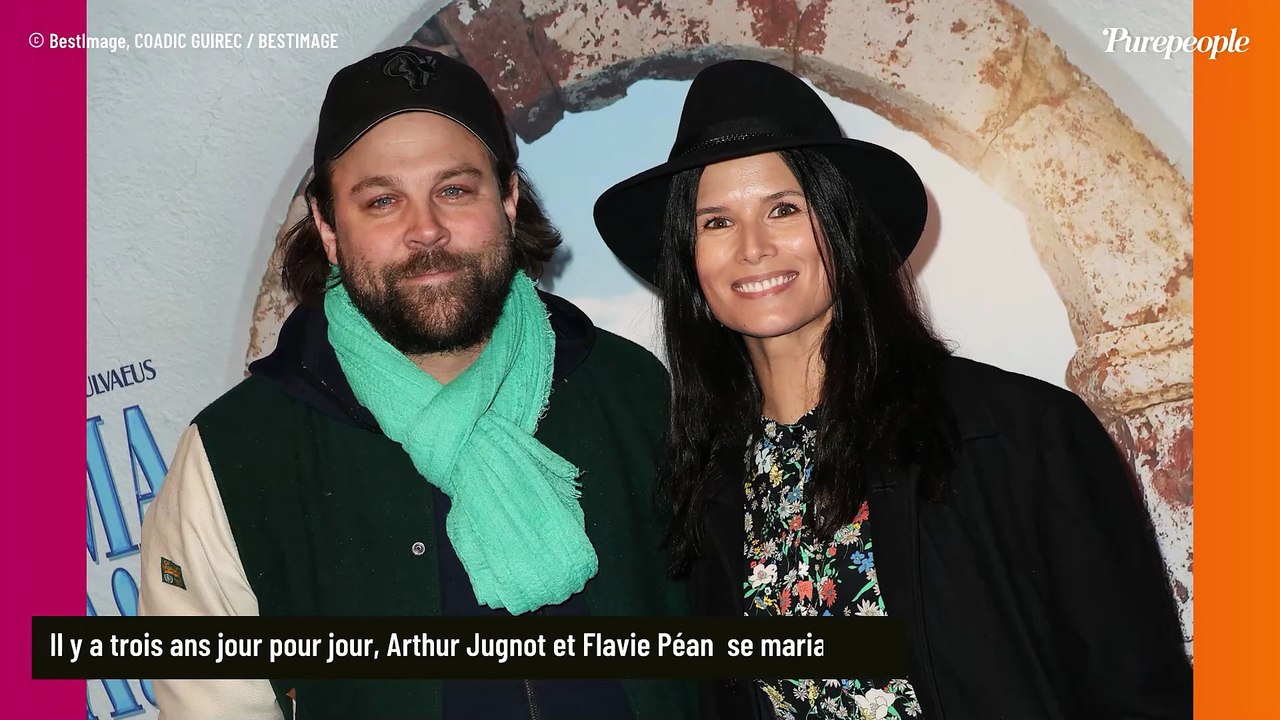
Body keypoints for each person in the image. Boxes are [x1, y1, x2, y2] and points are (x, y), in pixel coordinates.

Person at [593, 59, 1191, 720]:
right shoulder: (705, 491)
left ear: (841, 226)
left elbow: (1138, 691)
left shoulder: (1020, 434)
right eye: (716, 222)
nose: (752, 246)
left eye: (784, 209)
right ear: (690, 258)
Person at [140, 46, 695, 720]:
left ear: (508, 199)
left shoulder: (633, 393)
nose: (425, 229)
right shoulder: (233, 457)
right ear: (328, 226)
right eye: (382, 201)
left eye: (454, 190)